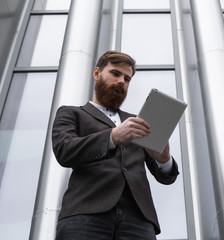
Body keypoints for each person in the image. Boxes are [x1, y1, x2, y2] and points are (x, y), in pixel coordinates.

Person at [52, 50, 179, 240]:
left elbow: (166, 177)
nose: (122, 81)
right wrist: (112, 136)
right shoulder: (71, 113)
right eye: (115, 73)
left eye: (127, 79)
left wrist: (164, 159)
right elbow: (64, 151)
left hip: (139, 220)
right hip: (85, 213)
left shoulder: (138, 122)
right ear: (97, 73)